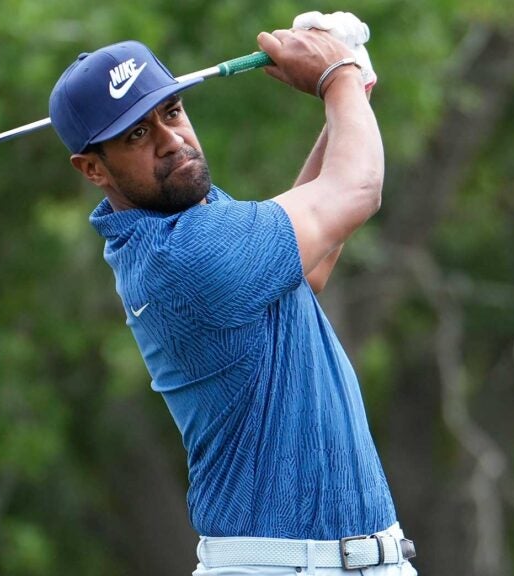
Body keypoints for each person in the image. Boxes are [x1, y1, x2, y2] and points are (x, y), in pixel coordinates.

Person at [49, 11, 416, 575]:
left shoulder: (190, 219)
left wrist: (353, 88)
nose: (172, 142)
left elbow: (308, 266)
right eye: (138, 135)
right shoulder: (186, 253)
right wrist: (336, 77)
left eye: (171, 112)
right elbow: (356, 189)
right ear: (92, 168)